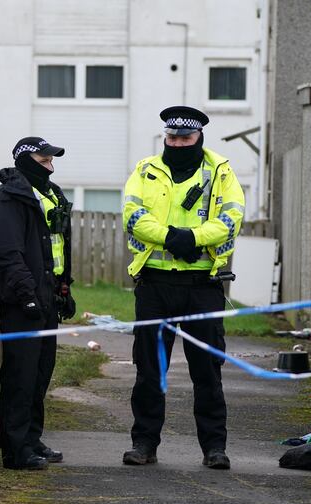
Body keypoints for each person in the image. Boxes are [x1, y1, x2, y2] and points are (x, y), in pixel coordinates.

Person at [121, 106, 245, 470]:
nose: (177, 144)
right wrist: (169, 238)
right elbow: (132, 214)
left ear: (199, 138)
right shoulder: (146, 170)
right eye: (171, 138)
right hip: (155, 285)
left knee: (207, 371)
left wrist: (192, 239)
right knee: (149, 371)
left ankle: (214, 449)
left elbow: (231, 218)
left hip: (202, 285)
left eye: (184, 138)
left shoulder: (220, 171)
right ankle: (143, 444)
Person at [0, 136, 76, 470]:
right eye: (43, 160)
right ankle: (15, 450)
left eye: (51, 161)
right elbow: (8, 252)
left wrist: (64, 288)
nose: (49, 166)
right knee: (20, 375)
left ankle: (32, 440)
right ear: (25, 161)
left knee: (40, 372)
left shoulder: (49, 195)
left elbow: (57, 245)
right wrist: (27, 296)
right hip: (23, 300)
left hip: (47, 295)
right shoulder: (9, 198)